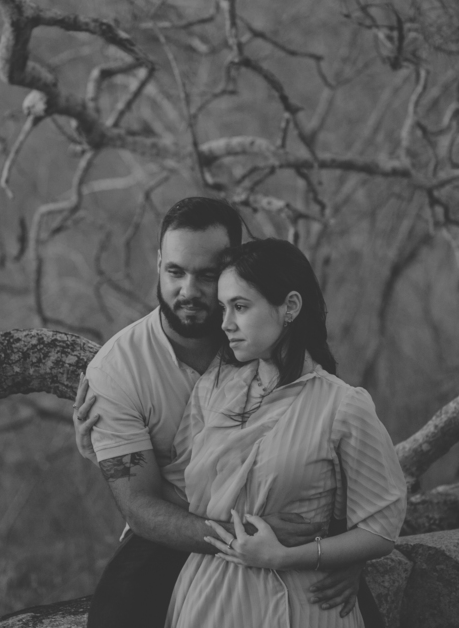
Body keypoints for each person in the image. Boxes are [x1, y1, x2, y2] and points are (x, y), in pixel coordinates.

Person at [72, 198, 370, 628]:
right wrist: (246, 537)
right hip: (176, 529)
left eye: (207, 275)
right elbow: (139, 505)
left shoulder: (265, 337)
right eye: (175, 271)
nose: (188, 290)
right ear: (158, 264)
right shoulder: (116, 369)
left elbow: (332, 433)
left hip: (292, 518)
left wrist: (349, 549)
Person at [164, 238, 407, 628]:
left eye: (240, 307)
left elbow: (380, 531)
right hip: (210, 598)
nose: (226, 323)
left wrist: (285, 556)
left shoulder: (342, 405)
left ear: (290, 307)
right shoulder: (213, 390)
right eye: (224, 308)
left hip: (302, 602)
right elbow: (174, 490)